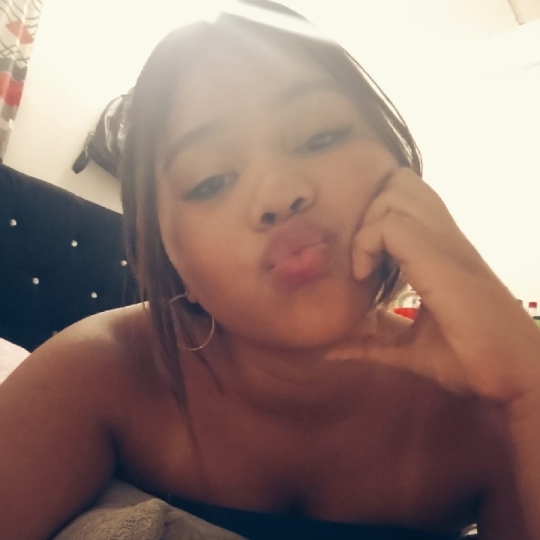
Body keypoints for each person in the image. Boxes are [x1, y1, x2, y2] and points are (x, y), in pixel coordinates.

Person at [1, 1, 539, 538]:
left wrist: (529, 381)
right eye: (211, 180)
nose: (280, 194)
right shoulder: (99, 374)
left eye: (320, 136)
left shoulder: (493, 407)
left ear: (396, 162)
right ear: (167, 256)